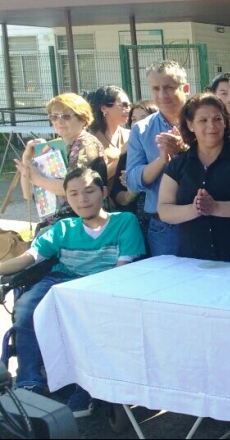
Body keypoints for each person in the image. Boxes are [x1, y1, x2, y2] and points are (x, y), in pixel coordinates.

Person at [2, 167, 146, 417]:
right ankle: (29, 382)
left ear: (103, 192)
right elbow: (29, 258)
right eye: (74, 194)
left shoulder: (125, 221)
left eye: (89, 191)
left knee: (85, 317)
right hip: (62, 280)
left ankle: (86, 386)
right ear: (67, 198)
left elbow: (122, 270)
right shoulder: (63, 227)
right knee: (26, 308)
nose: (83, 199)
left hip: (104, 286)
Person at [158, 93, 230, 264]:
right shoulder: (178, 164)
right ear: (190, 124)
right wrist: (196, 209)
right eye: (203, 120)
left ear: (225, 122)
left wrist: (215, 207)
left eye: (217, 119)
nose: (211, 126)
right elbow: (164, 209)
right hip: (193, 260)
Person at [126, 60, 191, 256]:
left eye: (169, 87)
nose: (162, 95)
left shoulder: (204, 120)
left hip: (204, 218)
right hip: (164, 226)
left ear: (185, 88)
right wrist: (162, 159)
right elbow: (132, 181)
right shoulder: (141, 129)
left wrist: (185, 150)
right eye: (156, 88)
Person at [15, 93, 106, 230]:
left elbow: (74, 188)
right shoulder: (53, 147)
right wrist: (27, 159)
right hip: (56, 224)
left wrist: (37, 179)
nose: (59, 121)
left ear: (83, 119)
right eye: (54, 116)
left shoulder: (86, 144)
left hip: (80, 225)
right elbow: (28, 194)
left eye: (66, 116)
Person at [112, 100, 158, 252]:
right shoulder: (127, 153)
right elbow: (116, 194)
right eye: (133, 119)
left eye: (143, 118)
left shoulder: (167, 149)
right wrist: (131, 192)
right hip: (136, 224)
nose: (137, 123)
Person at [86, 85, 131, 189]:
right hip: (103, 199)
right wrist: (122, 155)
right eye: (123, 105)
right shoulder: (90, 140)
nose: (128, 109)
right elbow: (94, 178)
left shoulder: (131, 134)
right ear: (104, 108)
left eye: (129, 105)